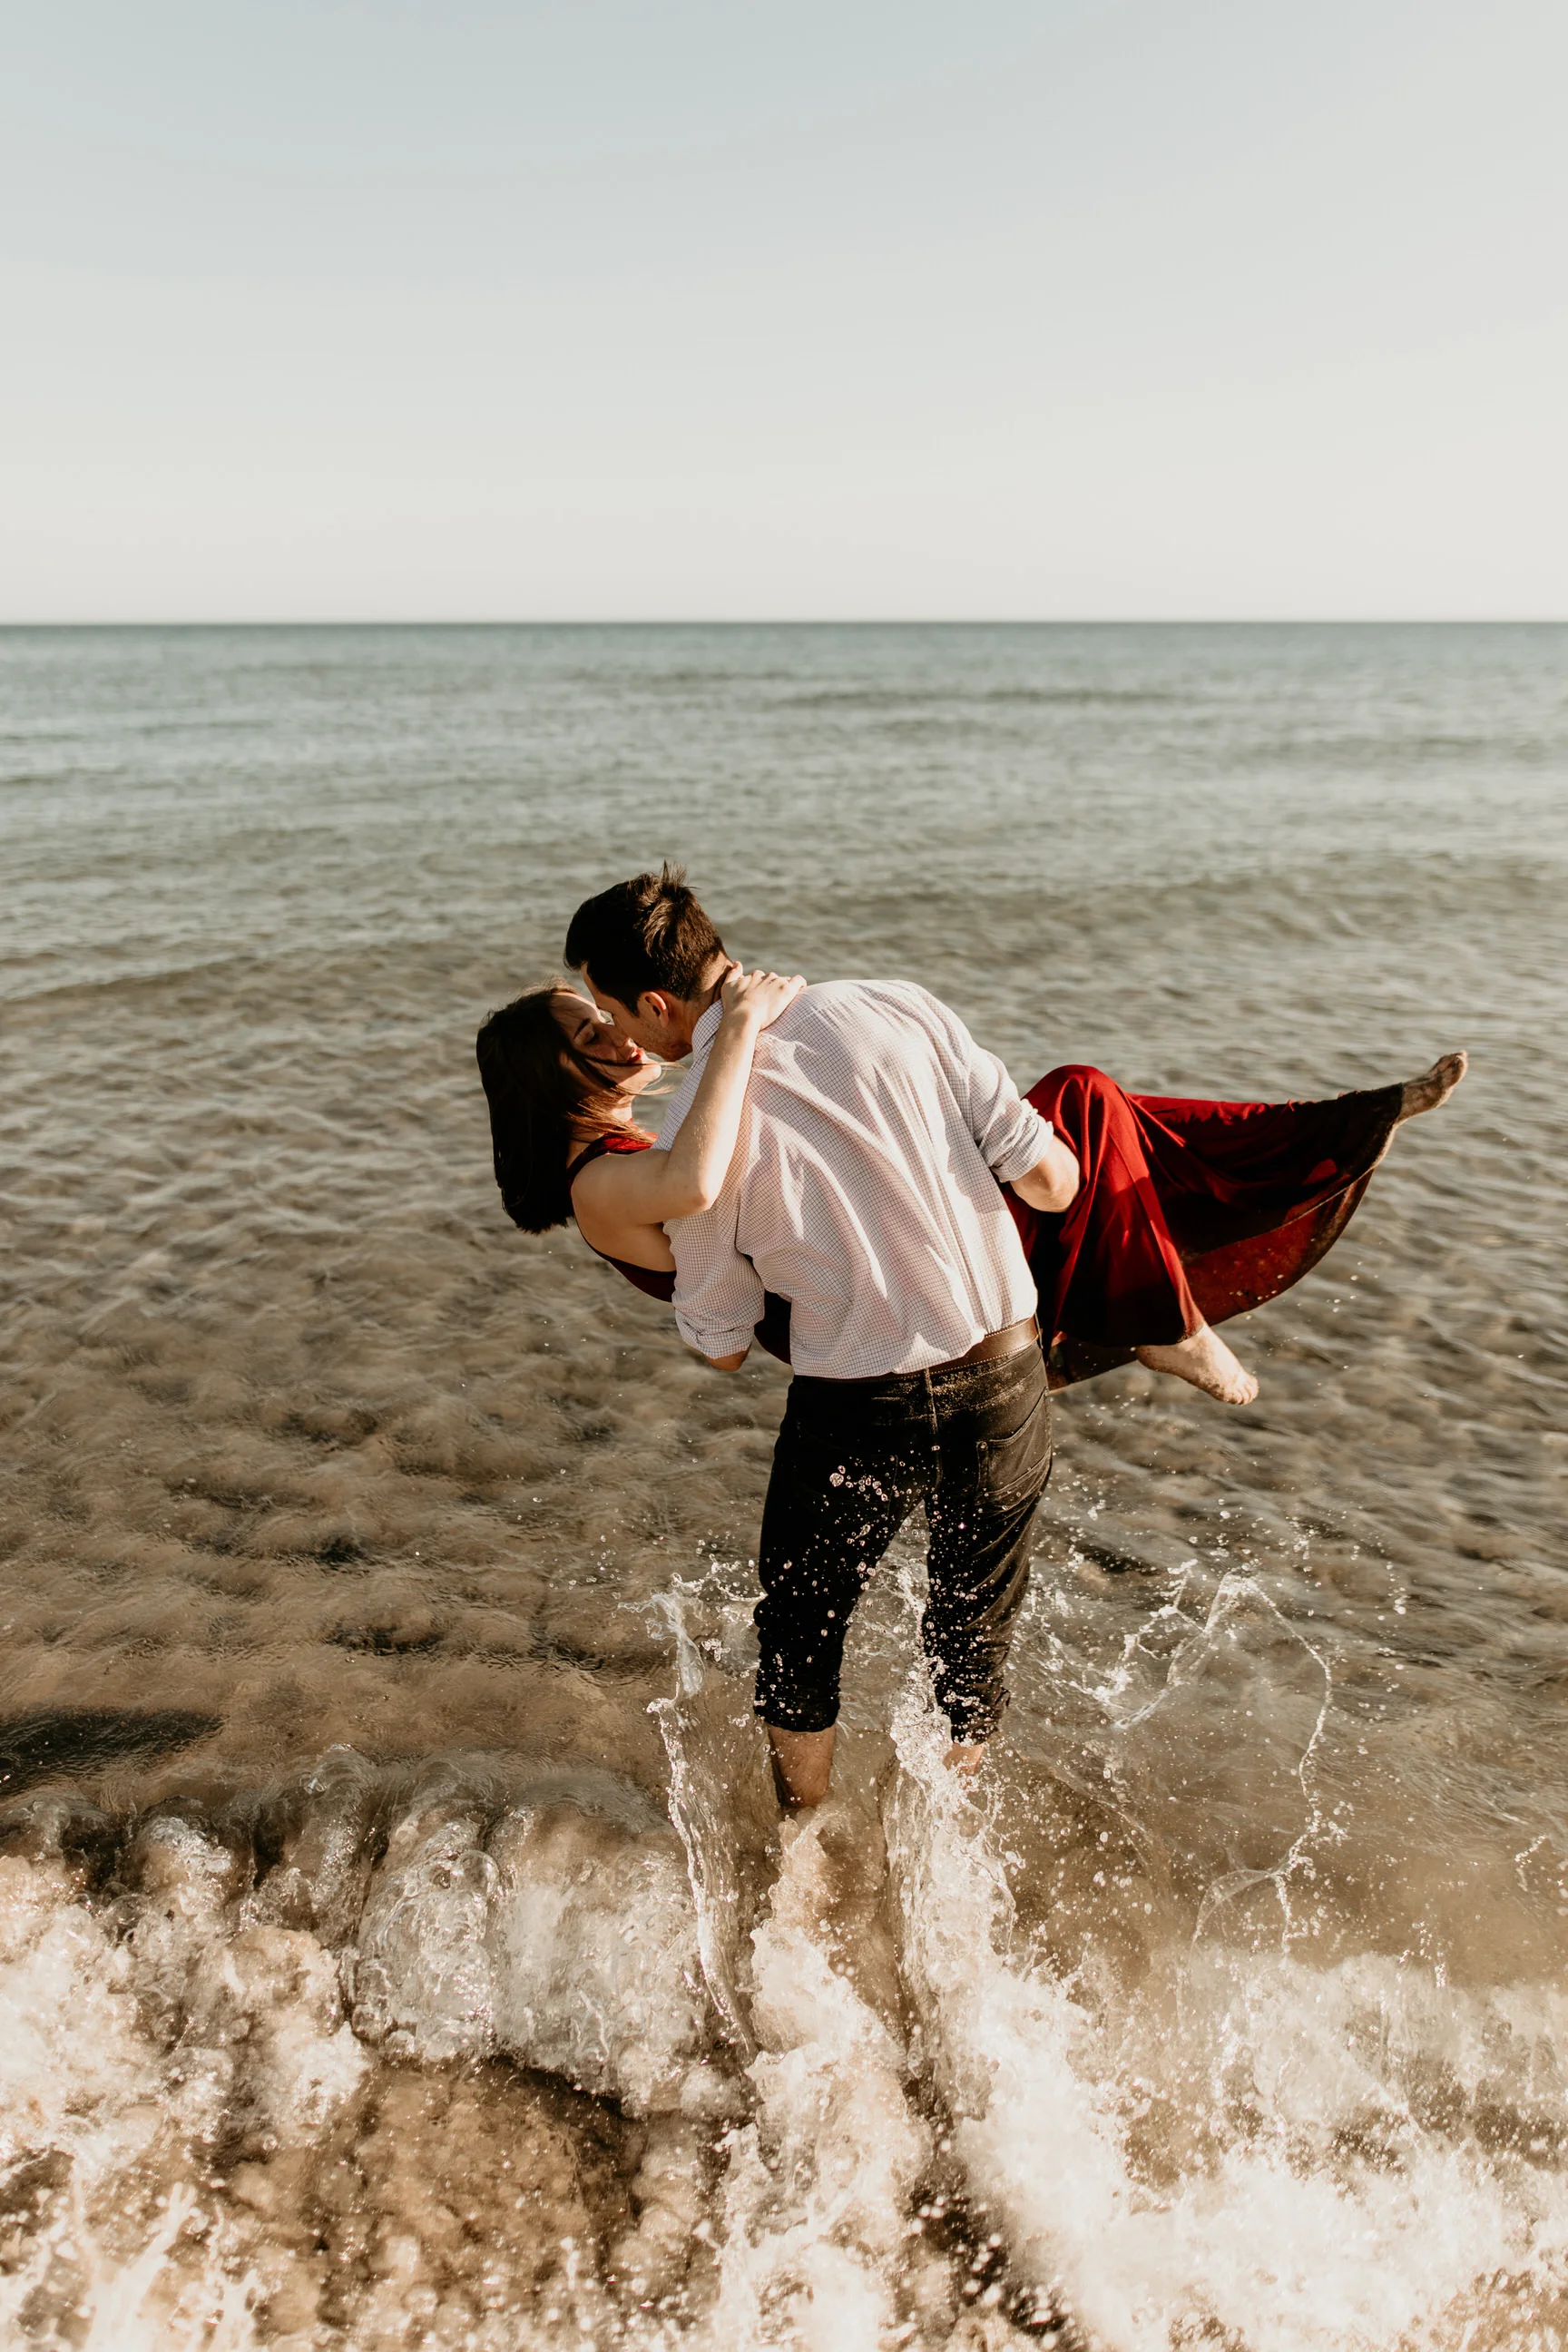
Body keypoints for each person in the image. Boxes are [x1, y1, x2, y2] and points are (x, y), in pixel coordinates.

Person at [476, 867, 1466, 1806]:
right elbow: (1058, 1186)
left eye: (605, 1011)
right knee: (971, 1631)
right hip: (1004, 1368)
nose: (618, 1037)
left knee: (801, 1636)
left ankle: (804, 1835)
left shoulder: (703, 1132)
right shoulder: (890, 1008)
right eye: (592, 1028)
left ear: (655, 1003)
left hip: (856, 1392)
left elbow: (724, 1336)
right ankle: (950, 1838)